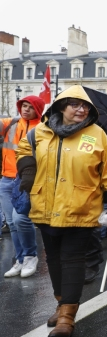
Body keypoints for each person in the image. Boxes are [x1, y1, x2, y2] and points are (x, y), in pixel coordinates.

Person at [16, 86, 107, 337]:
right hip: (45, 206)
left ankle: (67, 317)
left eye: (85, 106)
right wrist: (28, 170)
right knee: (53, 259)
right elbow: (23, 150)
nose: (81, 109)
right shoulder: (40, 131)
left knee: (73, 259)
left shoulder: (97, 134)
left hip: (81, 207)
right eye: (75, 105)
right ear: (61, 107)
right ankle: (62, 304)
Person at [1, 96, 45, 278]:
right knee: (11, 223)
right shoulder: (10, 123)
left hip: (25, 181)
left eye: (31, 107)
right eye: (23, 106)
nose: (26, 109)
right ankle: (19, 260)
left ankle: (30, 256)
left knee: (20, 220)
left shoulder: (43, 129)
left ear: (38, 110)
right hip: (5, 179)